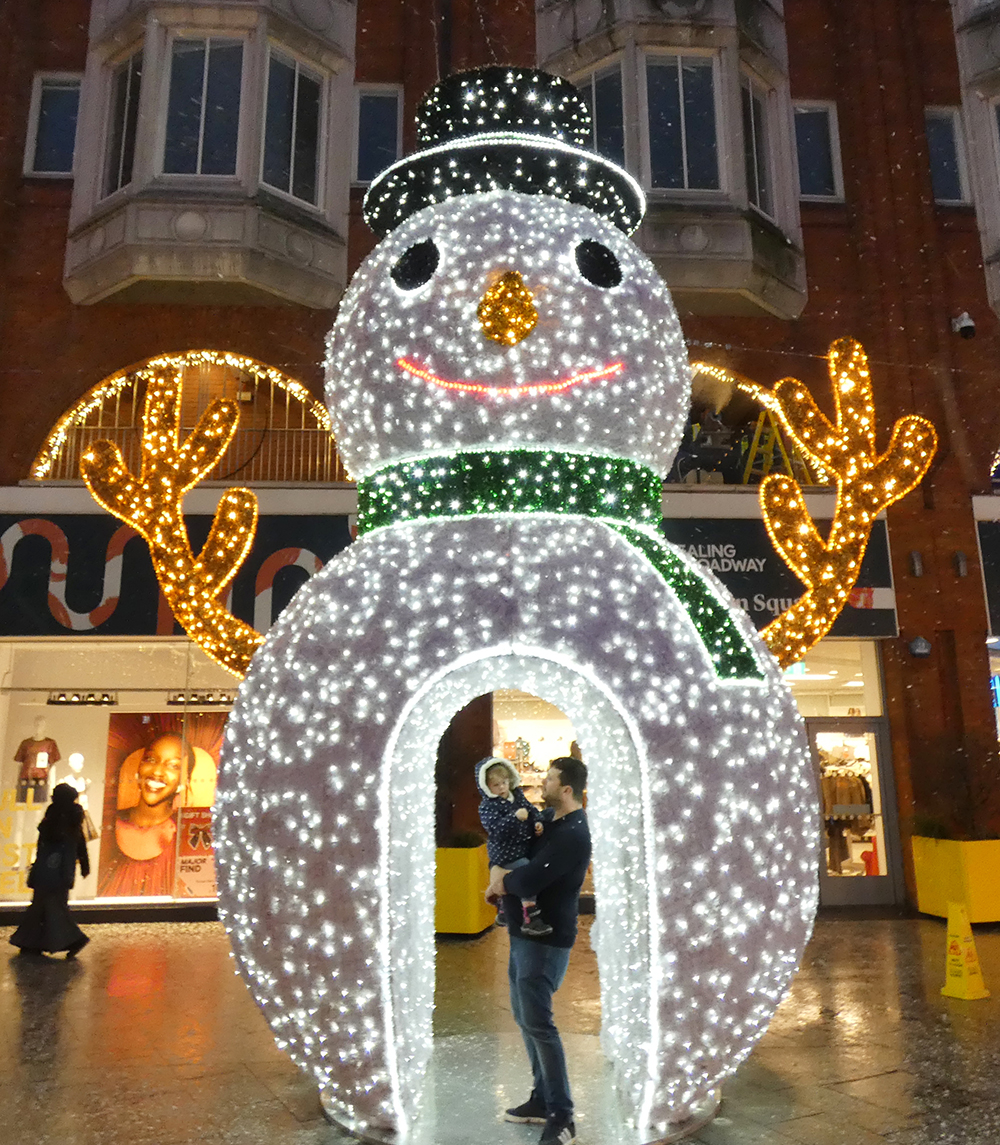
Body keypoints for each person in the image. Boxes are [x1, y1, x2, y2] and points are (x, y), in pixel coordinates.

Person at [486, 757, 591, 1145]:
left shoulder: (573, 833)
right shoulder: (553, 820)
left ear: (566, 789)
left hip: (545, 941)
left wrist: (500, 880)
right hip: (524, 935)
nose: (542, 783)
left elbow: (532, 876)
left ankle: (563, 1116)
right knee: (526, 1018)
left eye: (548, 779)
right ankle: (541, 1097)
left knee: (540, 1024)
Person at [98, 732, 192, 897]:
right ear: (138, 770)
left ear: (184, 783)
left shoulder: (188, 835)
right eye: (151, 759)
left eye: (173, 766)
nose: (157, 771)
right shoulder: (105, 825)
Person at [9, 783, 90, 958]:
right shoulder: (72, 818)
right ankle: (34, 942)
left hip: (48, 871)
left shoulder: (55, 816)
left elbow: (45, 844)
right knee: (52, 908)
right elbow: (79, 843)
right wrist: (84, 865)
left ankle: (37, 942)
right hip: (60, 871)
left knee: (45, 907)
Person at [476, 757, 551, 936]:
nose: (502, 788)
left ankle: (502, 907)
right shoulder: (487, 807)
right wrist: (514, 817)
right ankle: (530, 916)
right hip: (505, 854)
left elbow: (531, 811)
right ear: (487, 787)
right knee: (526, 874)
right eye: (496, 785)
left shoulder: (516, 796)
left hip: (522, 847)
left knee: (521, 872)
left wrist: (537, 822)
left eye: (504, 782)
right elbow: (496, 830)